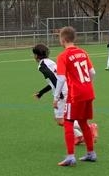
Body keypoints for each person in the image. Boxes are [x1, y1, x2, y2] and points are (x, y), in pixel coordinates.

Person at [32, 44, 98, 148]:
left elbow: (53, 78)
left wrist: (59, 95)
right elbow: (54, 81)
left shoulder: (42, 66)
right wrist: (41, 92)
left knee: (60, 120)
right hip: (67, 88)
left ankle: (89, 128)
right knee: (65, 118)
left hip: (62, 92)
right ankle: (79, 136)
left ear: (36, 55)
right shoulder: (51, 62)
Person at [55, 26, 97, 166]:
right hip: (89, 91)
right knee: (83, 122)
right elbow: (93, 72)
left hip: (75, 94)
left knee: (68, 121)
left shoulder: (63, 56)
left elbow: (61, 78)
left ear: (63, 39)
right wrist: (86, 85)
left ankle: (70, 156)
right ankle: (91, 153)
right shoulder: (83, 52)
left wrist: (56, 97)